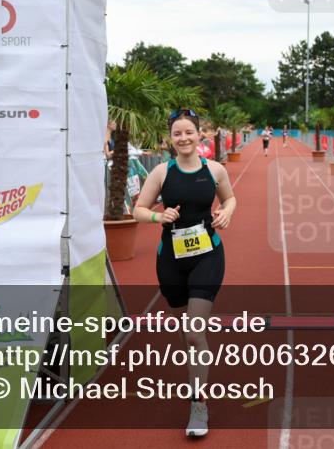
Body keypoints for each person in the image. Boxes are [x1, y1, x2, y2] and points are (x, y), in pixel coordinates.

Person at [132, 108, 236, 438]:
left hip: (208, 256)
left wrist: (227, 212)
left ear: (199, 134)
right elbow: (138, 210)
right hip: (171, 261)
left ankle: (198, 405)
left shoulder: (214, 169)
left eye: (189, 131)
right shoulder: (161, 172)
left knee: (193, 332)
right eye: (177, 133)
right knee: (188, 332)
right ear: (170, 138)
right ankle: (197, 371)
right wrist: (157, 217)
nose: (183, 138)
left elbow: (231, 199)